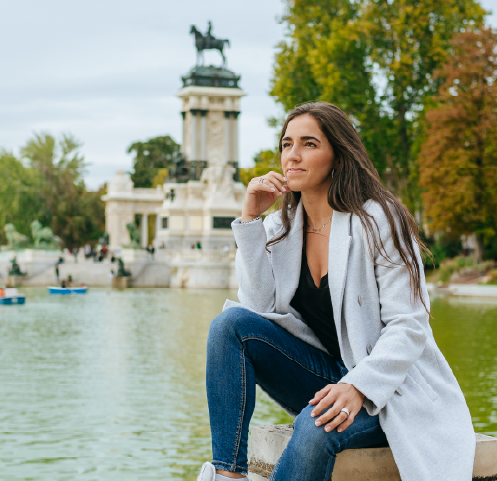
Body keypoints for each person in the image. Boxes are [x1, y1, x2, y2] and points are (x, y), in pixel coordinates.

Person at [197, 102, 475, 481]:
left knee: (314, 428)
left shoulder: (379, 219)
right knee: (230, 325)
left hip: (389, 391)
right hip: (325, 375)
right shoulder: (282, 225)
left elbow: (409, 325)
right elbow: (259, 307)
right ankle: (228, 475)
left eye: (309, 144)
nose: (292, 155)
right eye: (286, 144)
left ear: (338, 157)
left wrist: (358, 386)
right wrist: (250, 220)